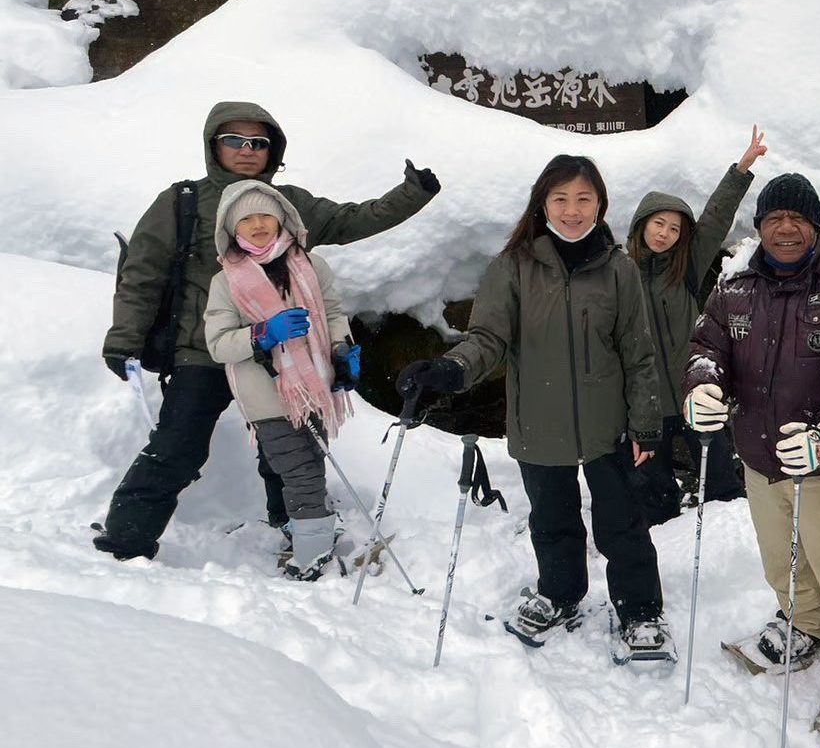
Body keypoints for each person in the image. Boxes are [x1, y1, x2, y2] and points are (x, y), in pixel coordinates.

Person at [96, 101, 439, 560]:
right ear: (213, 145)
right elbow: (143, 275)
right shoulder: (181, 202)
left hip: (282, 356)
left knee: (290, 447)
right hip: (204, 351)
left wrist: (412, 194)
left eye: (258, 142)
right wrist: (124, 339)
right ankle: (126, 537)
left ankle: (298, 529)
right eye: (234, 140)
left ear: (273, 150)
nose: (246, 150)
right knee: (178, 445)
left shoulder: (285, 203)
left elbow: (351, 219)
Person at [396, 154, 671, 657]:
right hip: (538, 422)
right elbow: (488, 338)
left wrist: (645, 423)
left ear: (601, 204)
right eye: (560, 198)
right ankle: (560, 594)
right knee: (552, 520)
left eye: (584, 198)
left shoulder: (619, 270)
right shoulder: (513, 267)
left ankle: (640, 610)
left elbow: (639, 353)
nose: (572, 210)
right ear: (541, 203)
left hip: (608, 426)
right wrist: (451, 369)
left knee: (623, 524)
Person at [683, 171, 820, 743]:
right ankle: (806, 624)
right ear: (760, 226)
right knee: (782, 561)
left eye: (798, 218)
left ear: (816, 226)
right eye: (775, 218)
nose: (786, 228)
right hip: (758, 455)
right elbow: (706, 347)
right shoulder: (735, 286)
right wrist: (703, 386)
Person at [202, 181, 359, 579]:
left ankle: (310, 531)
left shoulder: (311, 266)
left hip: (316, 388)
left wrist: (342, 349)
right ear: (231, 229)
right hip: (267, 396)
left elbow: (333, 313)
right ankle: (312, 555)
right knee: (300, 472)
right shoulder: (226, 281)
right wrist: (262, 334)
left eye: (265, 216)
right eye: (247, 220)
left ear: (282, 219)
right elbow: (218, 344)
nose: (258, 225)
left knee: (312, 465)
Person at [625, 127, 765, 522]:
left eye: (674, 229)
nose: (665, 234)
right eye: (659, 224)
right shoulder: (619, 274)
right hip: (647, 403)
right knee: (653, 491)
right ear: (642, 224)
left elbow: (714, 220)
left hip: (694, 393)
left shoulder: (684, 268)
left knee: (721, 478)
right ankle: (664, 540)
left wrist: (740, 170)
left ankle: (728, 537)